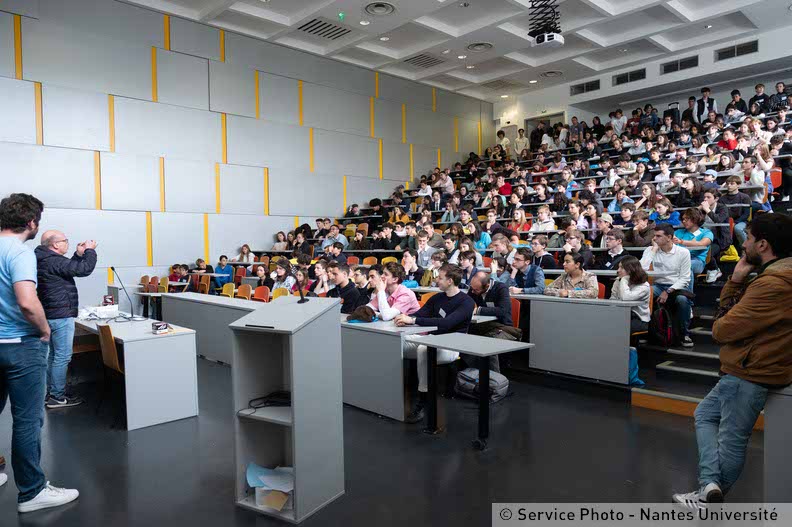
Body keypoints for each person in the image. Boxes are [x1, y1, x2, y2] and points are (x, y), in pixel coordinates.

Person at [673, 214, 792, 508]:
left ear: (763, 244)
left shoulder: (773, 284)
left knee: (732, 438)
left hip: (751, 369)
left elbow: (721, 329)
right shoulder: (778, 276)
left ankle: (708, 493)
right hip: (755, 364)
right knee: (705, 415)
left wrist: (735, 281)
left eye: (748, 239)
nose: (744, 245)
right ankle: (710, 484)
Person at [0, 193, 79, 511]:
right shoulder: (20, 252)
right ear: (31, 223)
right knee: (28, 420)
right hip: (22, 346)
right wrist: (44, 330)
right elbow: (26, 301)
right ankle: (31, 492)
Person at [395, 264, 475, 423]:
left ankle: (424, 399)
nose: (436, 280)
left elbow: (446, 323)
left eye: (439, 277)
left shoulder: (466, 302)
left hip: (451, 346)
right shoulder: (437, 297)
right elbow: (418, 314)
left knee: (425, 349)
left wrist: (413, 320)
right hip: (431, 340)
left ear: (450, 281)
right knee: (394, 343)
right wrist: (403, 318)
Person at [34, 231, 98, 408]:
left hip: (51, 314)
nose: (67, 243)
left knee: (54, 356)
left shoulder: (45, 259)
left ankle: (53, 392)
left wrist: (78, 255)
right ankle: (57, 396)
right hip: (61, 315)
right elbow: (84, 270)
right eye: (65, 241)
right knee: (62, 357)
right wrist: (89, 251)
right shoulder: (53, 260)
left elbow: (68, 268)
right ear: (55, 245)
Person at [640, 223, 694, 347]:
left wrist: (668, 291)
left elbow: (685, 278)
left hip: (677, 287)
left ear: (669, 237)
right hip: (659, 285)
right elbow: (641, 269)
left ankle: (684, 334)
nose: (654, 239)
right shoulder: (650, 250)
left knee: (682, 300)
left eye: (658, 236)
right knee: (645, 293)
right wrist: (653, 250)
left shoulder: (683, 252)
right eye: (654, 236)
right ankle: (647, 331)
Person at [610, 256, 651, 334]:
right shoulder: (618, 281)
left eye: (622, 268)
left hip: (639, 319)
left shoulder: (644, 286)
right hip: (620, 315)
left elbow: (626, 297)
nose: (618, 270)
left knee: (617, 328)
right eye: (618, 267)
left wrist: (624, 280)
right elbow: (612, 299)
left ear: (631, 269)